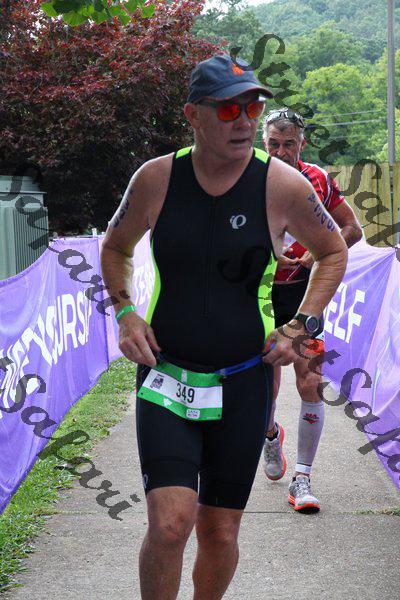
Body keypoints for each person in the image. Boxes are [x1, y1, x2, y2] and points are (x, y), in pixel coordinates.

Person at [100, 55, 348, 600]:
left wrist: (300, 325)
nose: (244, 122)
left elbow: (334, 250)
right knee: (170, 524)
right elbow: (115, 246)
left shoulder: (281, 185)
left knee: (219, 532)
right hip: (167, 376)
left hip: (243, 379)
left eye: (252, 109)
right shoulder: (156, 179)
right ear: (194, 114)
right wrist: (125, 312)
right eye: (230, 109)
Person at [262, 108, 362, 512]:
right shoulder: (246, 177)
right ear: (263, 142)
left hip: (305, 298)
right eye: (273, 144)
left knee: (310, 381)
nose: (281, 152)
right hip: (259, 297)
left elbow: (352, 229)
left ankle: (302, 479)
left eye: (289, 144)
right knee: (263, 390)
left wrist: (318, 254)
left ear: (302, 144)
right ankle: (270, 435)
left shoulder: (317, 179)